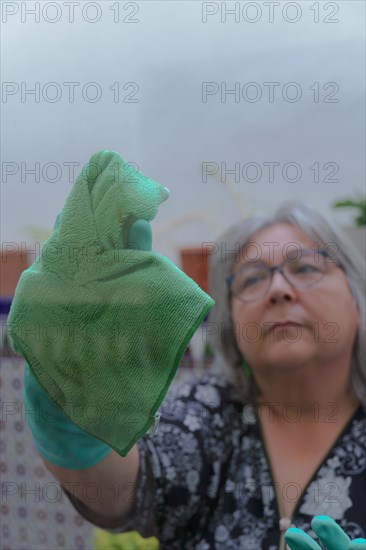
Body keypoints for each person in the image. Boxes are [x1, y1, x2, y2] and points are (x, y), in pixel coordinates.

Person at [23, 200, 366, 549]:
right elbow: (125, 489)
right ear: (231, 323)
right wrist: (75, 423)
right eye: (252, 279)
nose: (278, 289)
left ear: (357, 298)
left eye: (306, 268)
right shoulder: (208, 411)